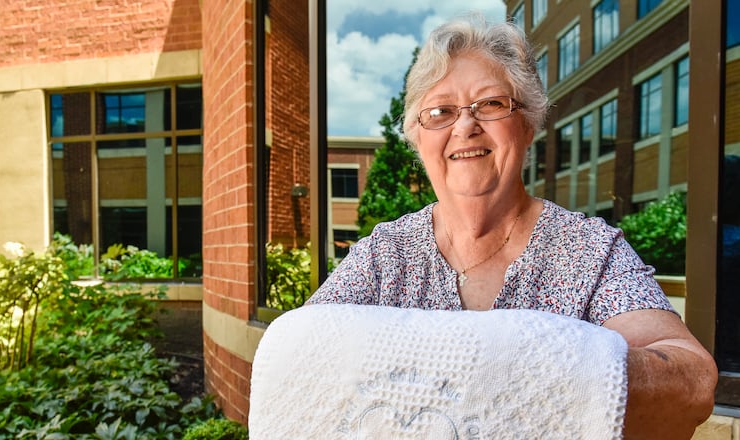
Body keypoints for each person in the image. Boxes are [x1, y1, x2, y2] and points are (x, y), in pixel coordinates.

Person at [307, 12, 717, 439]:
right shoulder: (384, 254)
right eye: (440, 111)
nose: (465, 126)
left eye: (490, 104)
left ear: (526, 124)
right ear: (418, 137)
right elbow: (304, 355)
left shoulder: (587, 250)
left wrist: (532, 357)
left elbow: (693, 384)